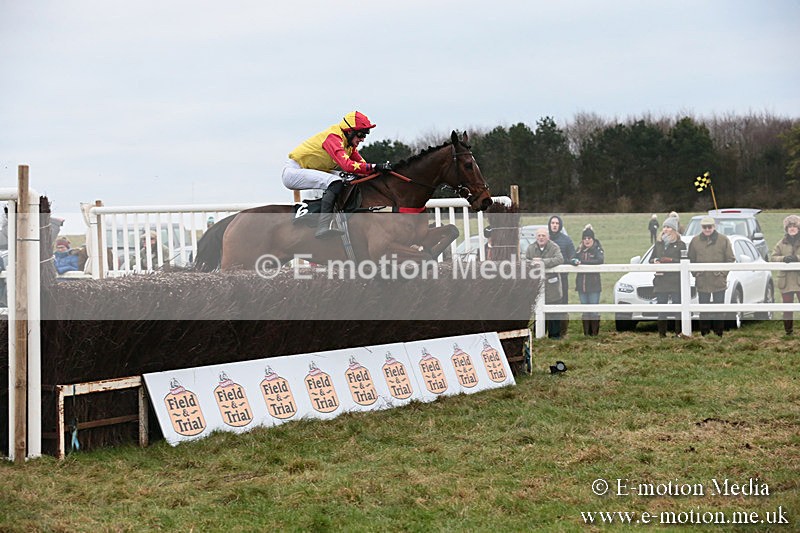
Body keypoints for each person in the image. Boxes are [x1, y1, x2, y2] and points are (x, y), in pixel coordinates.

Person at [282, 111, 390, 239]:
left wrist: (383, 171)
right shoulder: (333, 138)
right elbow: (347, 165)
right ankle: (323, 225)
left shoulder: (348, 145)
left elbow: (362, 168)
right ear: (349, 131)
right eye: (361, 134)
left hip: (312, 169)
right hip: (294, 172)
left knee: (351, 179)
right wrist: (375, 166)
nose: (362, 139)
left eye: (365, 135)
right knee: (336, 182)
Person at [687, 216, 735, 336]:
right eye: (705, 227)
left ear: (714, 227)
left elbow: (730, 259)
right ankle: (705, 333)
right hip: (702, 280)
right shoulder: (695, 241)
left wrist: (722, 274)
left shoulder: (723, 240)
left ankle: (719, 333)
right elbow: (690, 259)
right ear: (701, 228)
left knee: (719, 308)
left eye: (710, 227)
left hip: (718, 280)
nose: (707, 229)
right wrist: (695, 273)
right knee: (703, 309)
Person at [649, 216, 686, 338]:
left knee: (677, 307)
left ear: (674, 230)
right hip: (660, 280)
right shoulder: (658, 244)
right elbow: (651, 258)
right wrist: (655, 261)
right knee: (661, 307)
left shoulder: (680, 245)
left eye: (668, 227)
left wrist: (670, 260)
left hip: (675, 280)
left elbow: (684, 260)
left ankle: (678, 333)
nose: (665, 229)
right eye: (664, 227)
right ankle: (662, 334)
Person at [527, 227, 564, 339]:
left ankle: (554, 336)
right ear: (536, 237)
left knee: (553, 311)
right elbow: (525, 260)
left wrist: (542, 262)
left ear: (547, 237)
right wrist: (533, 263)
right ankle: (538, 335)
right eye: (539, 235)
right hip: (536, 285)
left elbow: (559, 259)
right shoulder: (531, 248)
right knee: (538, 310)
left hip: (552, 286)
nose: (541, 238)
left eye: (543, 235)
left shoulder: (554, 247)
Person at [570, 225, 604, 336]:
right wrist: (574, 261)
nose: (587, 240)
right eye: (585, 238)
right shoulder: (579, 249)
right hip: (581, 285)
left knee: (593, 310)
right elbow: (572, 259)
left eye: (589, 238)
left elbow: (599, 260)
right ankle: (586, 335)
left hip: (594, 285)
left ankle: (594, 335)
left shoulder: (598, 249)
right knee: (585, 310)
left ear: (593, 239)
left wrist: (583, 263)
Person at [770, 214, 800, 336]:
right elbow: (772, 258)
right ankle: (789, 332)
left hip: (799, 280)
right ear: (786, 229)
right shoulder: (780, 243)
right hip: (785, 281)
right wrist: (783, 259)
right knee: (787, 308)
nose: (792, 229)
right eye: (790, 227)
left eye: (794, 226)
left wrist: (796, 258)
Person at [547, 215, 575, 336]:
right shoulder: (544, 238)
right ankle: (544, 331)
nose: (554, 225)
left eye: (557, 223)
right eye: (552, 223)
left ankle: (562, 332)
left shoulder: (566, 240)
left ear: (560, 225)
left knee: (562, 303)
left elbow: (572, 256)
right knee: (545, 305)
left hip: (562, 278)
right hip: (546, 279)